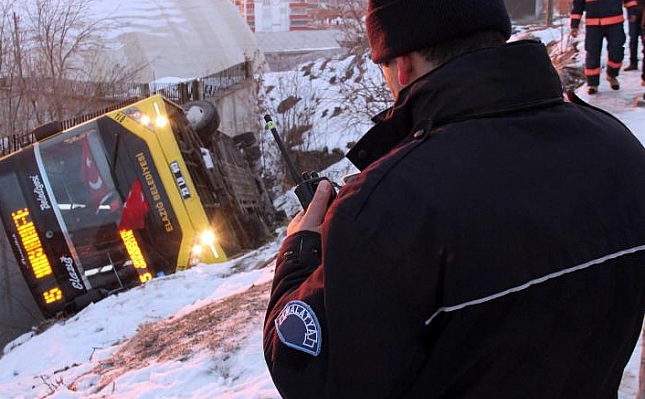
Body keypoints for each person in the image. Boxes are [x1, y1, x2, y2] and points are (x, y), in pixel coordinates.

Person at [263, 0, 645, 398]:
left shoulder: (386, 209)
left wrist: (298, 251)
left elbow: (308, 373)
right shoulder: (621, 150)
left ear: (402, 66)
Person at [570, 0, 634, 94]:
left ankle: (612, 75)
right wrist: (574, 25)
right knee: (592, 54)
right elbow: (578, 5)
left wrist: (633, 13)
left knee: (617, 52)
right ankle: (593, 84)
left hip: (615, 23)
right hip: (593, 26)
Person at [625, 0, 643, 71]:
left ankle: (633, 63)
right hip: (631, 9)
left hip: (641, 8)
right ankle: (633, 63)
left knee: (640, 36)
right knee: (633, 37)